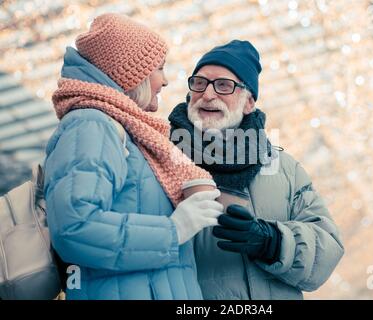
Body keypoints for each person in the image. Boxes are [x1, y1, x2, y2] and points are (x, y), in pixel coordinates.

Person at [44, 13, 223, 300]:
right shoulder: (92, 125)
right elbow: (75, 227)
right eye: (159, 68)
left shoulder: (134, 134)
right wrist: (174, 230)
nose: (164, 81)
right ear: (131, 74)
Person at [169, 40, 344, 299]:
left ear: (249, 101)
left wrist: (272, 242)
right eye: (199, 82)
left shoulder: (284, 169)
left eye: (223, 86)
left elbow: (327, 249)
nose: (207, 94)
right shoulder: (163, 155)